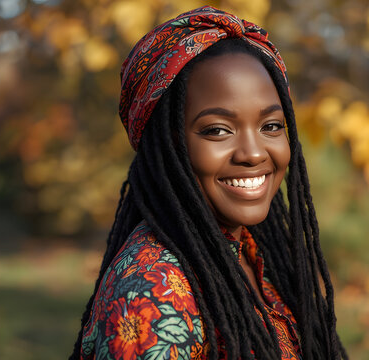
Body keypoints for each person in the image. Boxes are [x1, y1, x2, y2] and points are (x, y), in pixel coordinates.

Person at [70, 6, 347, 360]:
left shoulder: (253, 254)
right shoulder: (151, 294)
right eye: (218, 130)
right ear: (168, 145)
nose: (253, 153)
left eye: (271, 126)